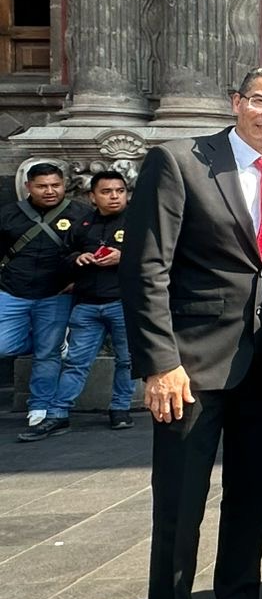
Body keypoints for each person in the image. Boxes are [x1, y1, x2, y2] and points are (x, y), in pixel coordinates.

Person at [121, 64, 262, 599]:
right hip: (190, 370)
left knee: (252, 494)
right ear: (236, 102)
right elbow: (147, 266)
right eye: (261, 101)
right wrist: (158, 361)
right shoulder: (180, 163)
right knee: (179, 507)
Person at [22, 171, 134, 441]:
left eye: (119, 190)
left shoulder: (139, 221)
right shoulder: (81, 223)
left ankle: (120, 409)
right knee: (75, 362)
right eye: (106, 192)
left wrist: (125, 256)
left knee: (128, 361)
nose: (114, 196)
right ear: (92, 196)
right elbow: (61, 258)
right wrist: (77, 258)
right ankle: (58, 414)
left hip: (123, 302)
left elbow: (160, 258)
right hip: (86, 304)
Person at [5, 161, 91, 436]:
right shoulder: (8, 214)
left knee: (47, 353)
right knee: (5, 345)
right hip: (11, 290)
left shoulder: (81, 214)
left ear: (65, 185)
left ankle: (39, 406)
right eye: (42, 186)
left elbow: (91, 250)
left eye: (56, 185)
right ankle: (49, 340)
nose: (50, 191)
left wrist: (78, 281)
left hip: (57, 293)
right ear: (28, 187)